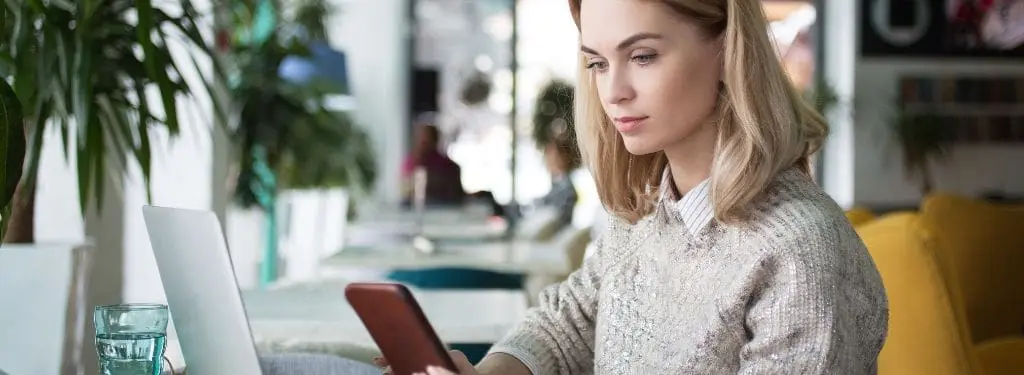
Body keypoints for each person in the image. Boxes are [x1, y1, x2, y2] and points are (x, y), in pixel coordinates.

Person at [384, 0, 889, 373]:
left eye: (642, 56)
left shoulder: (799, 251)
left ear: (725, 48)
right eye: (598, 64)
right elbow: (570, 322)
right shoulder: (648, 217)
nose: (614, 91)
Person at [401, 121, 467, 206]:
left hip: (442, 207)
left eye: (427, 138)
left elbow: (455, 193)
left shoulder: (447, 165)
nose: (424, 141)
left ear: (435, 139)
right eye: (421, 138)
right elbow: (405, 189)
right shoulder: (410, 162)